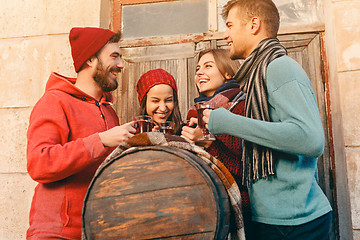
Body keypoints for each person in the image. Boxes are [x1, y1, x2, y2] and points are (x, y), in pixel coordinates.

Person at [201, 0, 333, 239]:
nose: (225, 34)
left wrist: (226, 122)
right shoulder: (255, 77)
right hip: (271, 219)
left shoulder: (279, 68)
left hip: (296, 225)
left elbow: (310, 139)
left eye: (230, 25)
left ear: (254, 25)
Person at [26, 27, 136, 239]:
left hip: (100, 231)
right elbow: (38, 163)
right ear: (90, 59)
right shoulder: (55, 101)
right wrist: (101, 140)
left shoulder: (109, 111)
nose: (121, 65)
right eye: (114, 56)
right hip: (58, 233)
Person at [181, 48, 255, 238]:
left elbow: (246, 168)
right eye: (197, 68)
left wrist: (208, 144)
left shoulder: (241, 106)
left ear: (227, 73)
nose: (199, 72)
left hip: (241, 207)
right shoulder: (194, 112)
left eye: (208, 66)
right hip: (208, 206)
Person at [136, 68, 182, 135]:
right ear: (144, 103)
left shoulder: (186, 132)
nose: (163, 108)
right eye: (155, 101)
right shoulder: (131, 135)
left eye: (168, 100)